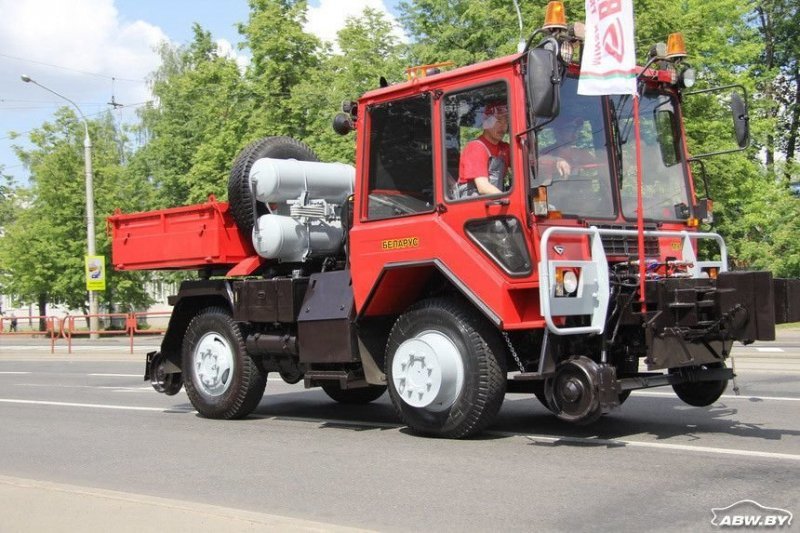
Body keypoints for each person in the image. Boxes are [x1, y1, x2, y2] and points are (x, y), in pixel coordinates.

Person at [457, 101, 511, 197]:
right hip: (475, 207)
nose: (503, 126)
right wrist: (510, 201)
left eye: (506, 121)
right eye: (498, 120)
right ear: (487, 122)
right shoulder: (476, 147)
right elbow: (483, 187)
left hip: (494, 203)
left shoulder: (505, 148)